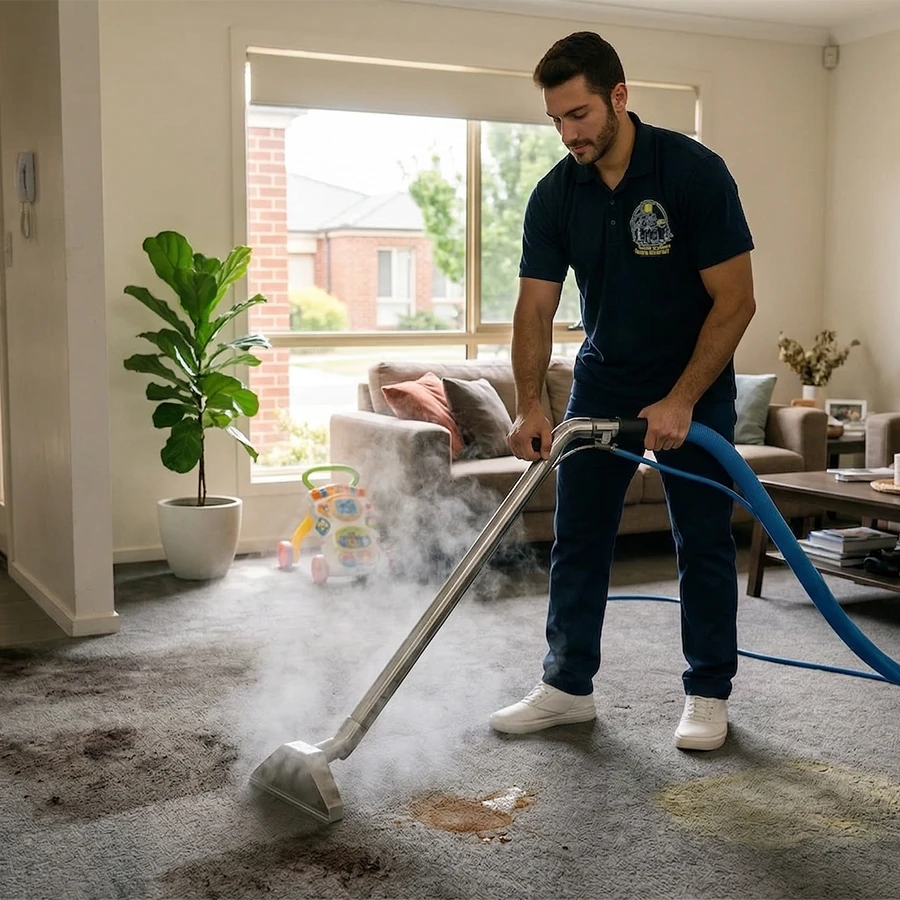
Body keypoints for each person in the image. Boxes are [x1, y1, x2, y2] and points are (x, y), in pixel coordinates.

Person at [490, 31, 756, 751]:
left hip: (692, 384)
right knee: (578, 535)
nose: (568, 133)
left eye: (578, 115)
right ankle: (566, 686)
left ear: (618, 96)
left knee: (702, 539)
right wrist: (530, 403)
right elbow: (534, 308)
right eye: (556, 120)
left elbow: (736, 300)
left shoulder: (692, 172)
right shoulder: (556, 194)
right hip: (603, 379)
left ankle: (708, 692)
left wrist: (681, 399)